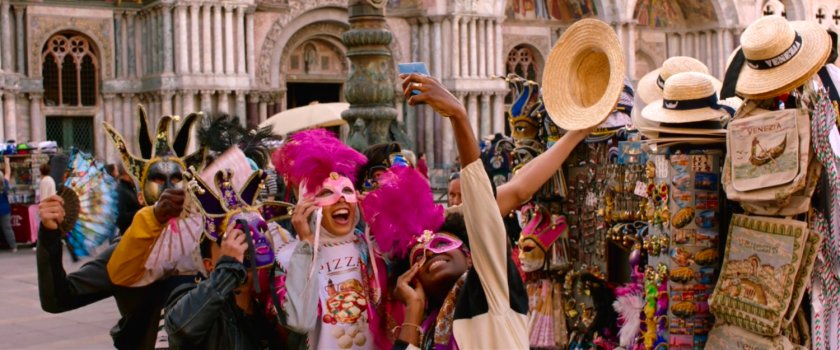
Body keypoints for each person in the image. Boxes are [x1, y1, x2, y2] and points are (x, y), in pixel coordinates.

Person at [388, 73, 530, 349]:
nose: (431, 254)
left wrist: (458, 116)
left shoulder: (492, 293)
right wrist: (414, 309)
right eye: (419, 257)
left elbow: (482, 209)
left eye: (441, 243)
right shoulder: (427, 330)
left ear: (469, 257)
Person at [273, 129, 389, 349]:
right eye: (327, 193)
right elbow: (299, 322)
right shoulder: (289, 258)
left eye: (347, 190)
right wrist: (306, 244)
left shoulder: (371, 249)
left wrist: (382, 223)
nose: (341, 200)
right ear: (308, 205)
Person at [37, 192, 193, 349]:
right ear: (140, 196)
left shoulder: (207, 248)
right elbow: (59, 298)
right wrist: (49, 234)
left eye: (178, 180)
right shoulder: (125, 251)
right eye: (157, 179)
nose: (172, 191)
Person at [164, 229, 284, 350]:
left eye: (245, 244)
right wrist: (229, 269)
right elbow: (180, 329)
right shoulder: (193, 299)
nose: (241, 253)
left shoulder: (265, 313)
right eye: (229, 245)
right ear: (209, 265)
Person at [114, 163, 142, 236]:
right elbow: (121, 217)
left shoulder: (128, 187)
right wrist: (141, 211)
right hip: (129, 234)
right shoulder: (121, 190)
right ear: (126, 171)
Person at [0, 157, 14, 252]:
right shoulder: (4, 184)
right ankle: (13, 246)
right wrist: (7, 162)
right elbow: (8, 173)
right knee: (7, 228)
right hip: (5, 210)